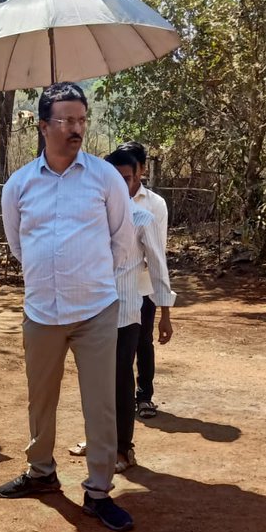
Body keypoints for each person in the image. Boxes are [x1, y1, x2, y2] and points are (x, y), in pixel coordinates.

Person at [0, 82, 136, 532]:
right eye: (66, 121)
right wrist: (51, 275)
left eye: (81, 120)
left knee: (101, 403)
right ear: (43, 126)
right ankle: (41, 472)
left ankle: (98, 491)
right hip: (41, 312)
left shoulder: (105, 178)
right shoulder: (19, 185)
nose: (76, 129)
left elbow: (121, 240)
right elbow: (19, 244)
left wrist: (85, 278)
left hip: (95, 309)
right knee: (41, 399)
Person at [69, 147, 174, 471]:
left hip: (128, 309)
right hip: (91, 309)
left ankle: (123, 449)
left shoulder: (145, 215)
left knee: (120, 379)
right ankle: (98, 439)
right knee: (94, 380)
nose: (120, 184)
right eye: (113, 177)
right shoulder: (90, 213)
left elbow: (158, 264)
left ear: (137, 176)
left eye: (126, 178)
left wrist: (165, 311)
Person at [118, 140, 170, 418]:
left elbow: (156, 251)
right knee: (117, 349)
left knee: (142, 341)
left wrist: (164, 308)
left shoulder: (154, 204)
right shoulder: (108, 197)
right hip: (112, 288)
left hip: (142, 286)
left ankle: (144, 397)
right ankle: (121, 401)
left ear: (141, 171)